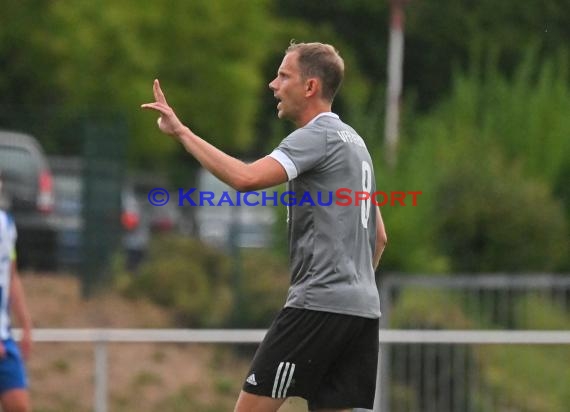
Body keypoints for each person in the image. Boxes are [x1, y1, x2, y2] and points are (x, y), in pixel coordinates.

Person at [142, 41, 387, 412]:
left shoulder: (315, 137)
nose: (273, 84)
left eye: (283, 75)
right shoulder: (357, 145)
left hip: (317, 305)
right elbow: (380, 238)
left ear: (310, 87)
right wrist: (352, 288)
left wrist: (182, 133)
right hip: (362, 311)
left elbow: (245, 178)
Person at [0, 207, 33, 412]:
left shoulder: (6, 224)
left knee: (19, 405)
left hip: (4, 334)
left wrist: (26, 325)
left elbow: (11, 275)